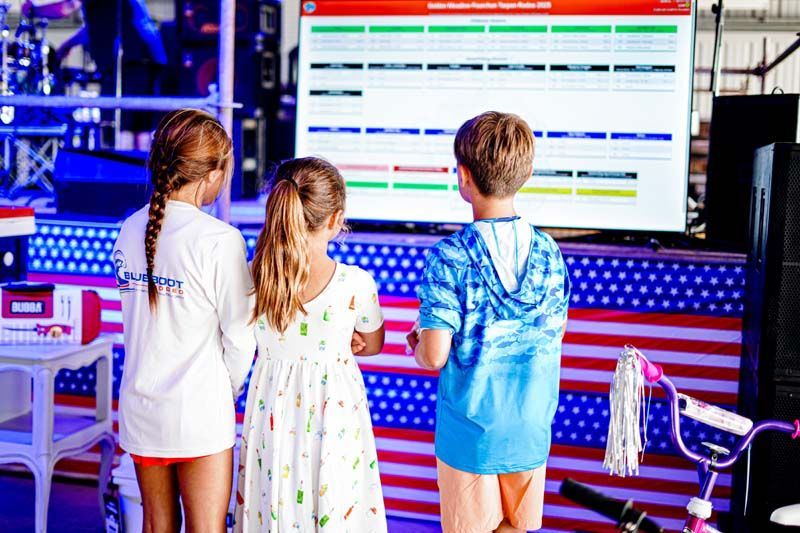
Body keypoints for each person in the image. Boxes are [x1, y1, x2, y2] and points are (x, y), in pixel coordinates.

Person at [407, 111, 571, 533]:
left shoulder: (452, 255)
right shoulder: (551, 251)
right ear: (528, 172)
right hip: (531, 429)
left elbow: (434, 356)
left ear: (463, 176)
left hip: (472, 436)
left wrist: (417, 342)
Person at [113, 109, 255, 532]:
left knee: (155, 524)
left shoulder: (129, 229)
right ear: (212, 173)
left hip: (141, 407)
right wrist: (224, 392)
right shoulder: (221, 241)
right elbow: (242, 338)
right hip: (199, 413)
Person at [235, 157, 387, 532]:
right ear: (336, 220)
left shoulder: (254, 277)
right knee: (335, 502)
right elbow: (373, 343)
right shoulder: (356, 283)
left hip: (272, 409)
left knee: (273, 500)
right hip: (333, 415)